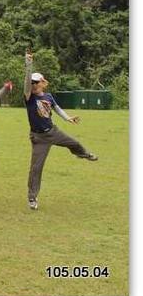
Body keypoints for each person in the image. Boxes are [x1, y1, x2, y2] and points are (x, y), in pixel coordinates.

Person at [23, 51, 98, 211]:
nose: (34, 85)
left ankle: (85, 155)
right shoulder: (29, 97)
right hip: (39, 138)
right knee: (36, 168)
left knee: (74, 143)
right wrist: (28, 65)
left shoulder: (48, 96)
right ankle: (32, 198)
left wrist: (68, 118)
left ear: (43, 83)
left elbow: (56, 108)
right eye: (32, 83)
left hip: (53, 131)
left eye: (36, 82)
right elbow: (25, 84)